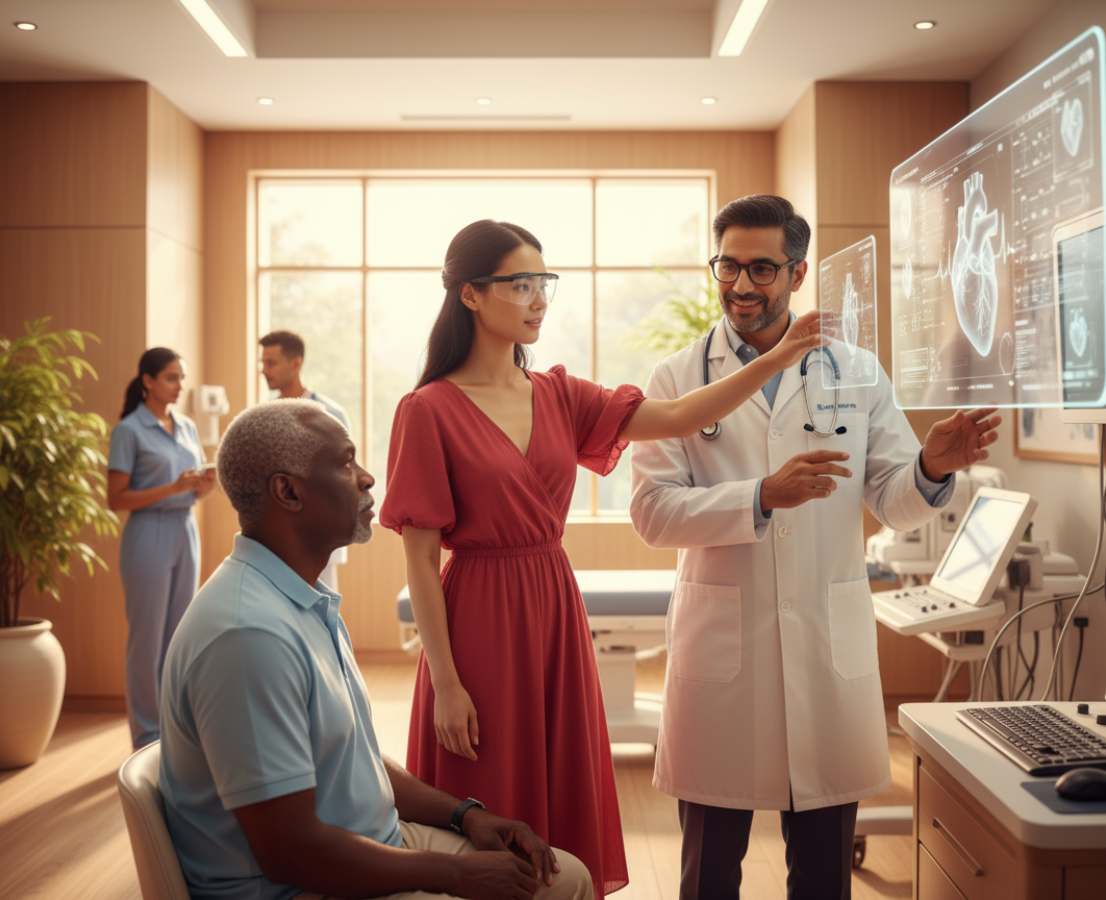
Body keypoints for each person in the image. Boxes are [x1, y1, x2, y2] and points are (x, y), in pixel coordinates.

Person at [379, 219, 828, 899]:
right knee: (488, 796)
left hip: (553, 606)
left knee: (558, 799)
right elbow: (418, 561)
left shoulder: (559, 393)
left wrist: (772, 359)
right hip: (478, 623)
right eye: (521, 284)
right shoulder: (428, 409)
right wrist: (444, 681)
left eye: (544, 283)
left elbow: (677, 416)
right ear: (471, 295)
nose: (539, 299)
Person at [628, 195, 1002, 900]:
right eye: (728, 265)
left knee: (824, 877)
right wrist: (760, 496)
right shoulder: (677, 379)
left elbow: (890, 496)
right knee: (708, 876)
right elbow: (652, 513)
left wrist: (933, 465)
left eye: (761, 268)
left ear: (798, 275)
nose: (741, 285)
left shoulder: (854, 369)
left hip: (827, 656)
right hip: (723, 662)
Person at [158, 399, 593, 900]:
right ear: (288, 491)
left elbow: (349, 756)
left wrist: (467, 815)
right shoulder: (247, 635)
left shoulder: (300, 598)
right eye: (345, 463)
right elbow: (290, 853)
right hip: (307, 886)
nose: (366, 478)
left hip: (370, 844)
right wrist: (457, 875)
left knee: (568, 877)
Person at [107, 347, 217, 749]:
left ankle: (174, 731)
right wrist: (173, 487)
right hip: (147, 536)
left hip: (185, 530)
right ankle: (146, 737)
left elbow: (190, 488)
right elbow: (116, 498)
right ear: (148, 381)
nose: (179, 385)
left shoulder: (185, 426)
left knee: (178, 638)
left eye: (181, 378)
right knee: (147, 640)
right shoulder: (129, 430)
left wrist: (203, 487)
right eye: (171, 377)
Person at [259, 329, 350, 590]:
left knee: (321, 610)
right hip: (277, 533)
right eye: (263, 363)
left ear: (295, 363)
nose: (264, 370)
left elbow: (345, 475)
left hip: (320, 529)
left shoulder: (330, 414)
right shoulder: (264, 417)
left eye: (271, 363)